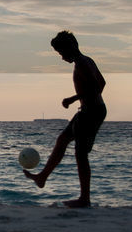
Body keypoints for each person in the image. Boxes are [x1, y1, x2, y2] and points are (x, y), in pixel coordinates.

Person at [25, 30, 106, 208]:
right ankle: (42, 177)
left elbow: (95, 88)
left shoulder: (83, 63)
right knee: (62, 140)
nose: (62, 58)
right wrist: (83, 100)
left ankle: (85, 198)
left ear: (71, 47)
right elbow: (102, 83)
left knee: (81, 154)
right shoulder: (87, 60)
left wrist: (73, 98)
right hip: (89, 110)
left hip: (91, 112)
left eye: (62, 53)